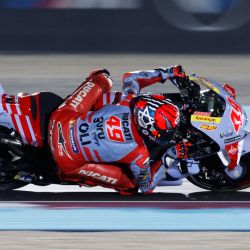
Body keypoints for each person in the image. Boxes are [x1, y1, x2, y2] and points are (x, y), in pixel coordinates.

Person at [48, 65, 188, 194]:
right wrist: (171, 154)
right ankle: (66, 175)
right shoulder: (139, 153)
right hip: (66, 158)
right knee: (130, 186)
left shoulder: (128, 101)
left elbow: (131, 77)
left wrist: (167, 73)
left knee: (103, 77)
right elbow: (147, 186)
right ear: (148, 127)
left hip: (61, 119)